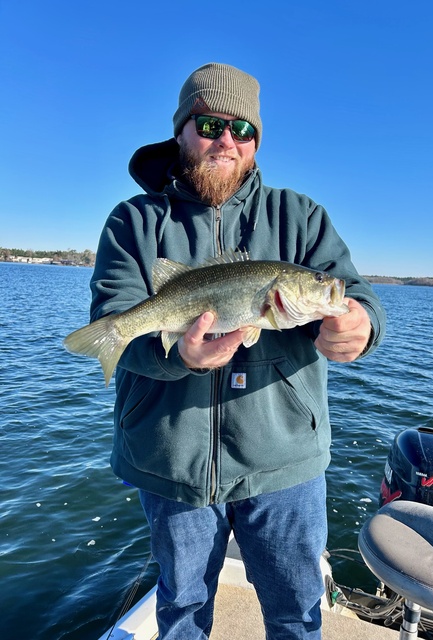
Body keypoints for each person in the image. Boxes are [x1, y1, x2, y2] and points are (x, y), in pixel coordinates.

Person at [90, 62, 386, 639]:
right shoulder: (133, 221)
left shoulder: (300, 217)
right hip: (171, 462)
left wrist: (358, 323)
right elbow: (111, 321)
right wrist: (178, 356)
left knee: (297, 611)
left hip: (285, 463)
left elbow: (356, 296)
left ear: (256, 141)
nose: (227, 140)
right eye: (209, 123)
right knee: (181, 611)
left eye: (243, 129)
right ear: (181, 130)